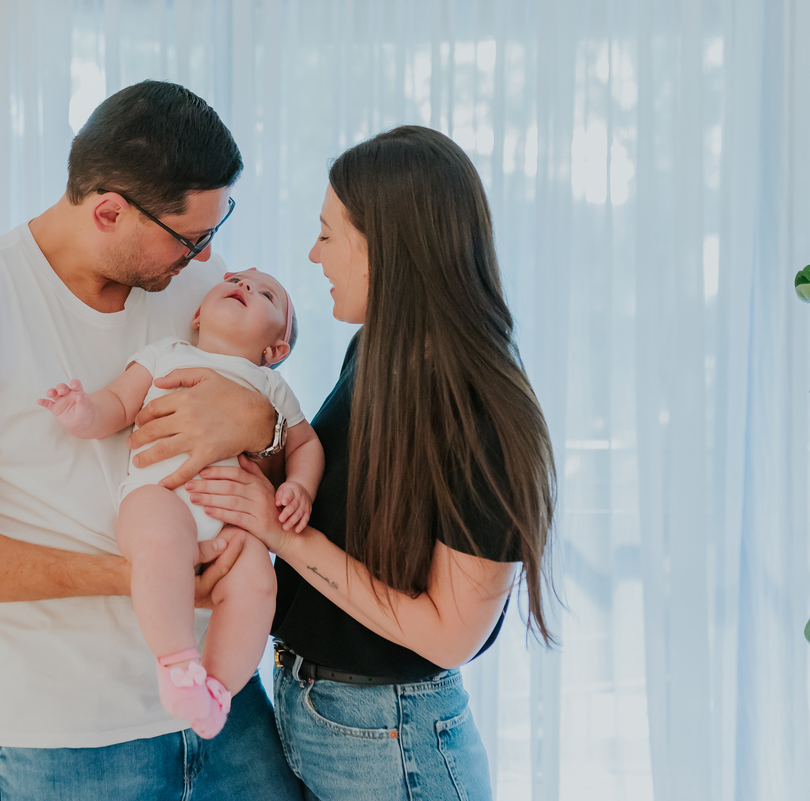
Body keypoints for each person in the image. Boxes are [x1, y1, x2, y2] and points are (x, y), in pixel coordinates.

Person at [0, 80, 303, 799]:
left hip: (229, 714)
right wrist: (139, 574)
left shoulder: (199, 289)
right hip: (70, 744)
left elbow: (279, 448)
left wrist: (262, 425)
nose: (206, 259)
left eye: (214, 233)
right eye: (191, 238)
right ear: (109, 211)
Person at [187, 125, 558, 800]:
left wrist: (280, 536)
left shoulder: (478, 409)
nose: (314, 254)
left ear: (385, 245)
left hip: (394, 741)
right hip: (316, 711)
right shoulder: (377, 353)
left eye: (327, 234)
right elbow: (348, 509)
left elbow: (448, 634)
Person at [39, 269, 324, 738]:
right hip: (160, 495)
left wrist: (301, 487)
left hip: (234, 521)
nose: (244, 286)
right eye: (237, 280)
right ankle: (177, 664)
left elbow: (305, 443)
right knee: (162, 545)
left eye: (266, 294)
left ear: (275, 351)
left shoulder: (270, 388)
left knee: (258, 586)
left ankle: (216, 691)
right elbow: (119, 403)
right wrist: (84, 413)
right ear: (197, 315)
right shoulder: (165, 354)